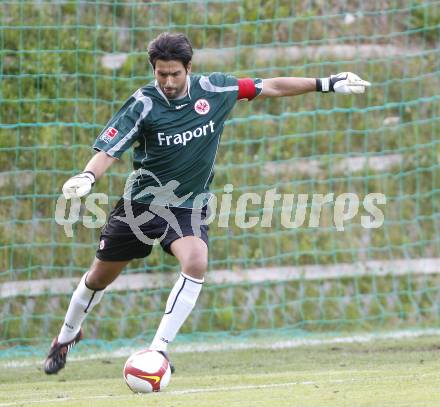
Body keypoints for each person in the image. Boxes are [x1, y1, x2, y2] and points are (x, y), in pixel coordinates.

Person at [43, 32, 370, 374]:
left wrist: (326, 83)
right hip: (141, 205)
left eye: (175, 74)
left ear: (189, 68)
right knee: (99, 277)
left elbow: (269, 86)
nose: (168, 81)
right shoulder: (144, 103)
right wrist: (88, 176)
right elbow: (110, 149)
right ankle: (66, 335)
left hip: (188, 205)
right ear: (153, 70)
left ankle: (158, 352)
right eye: (161, 74)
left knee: (196, 260)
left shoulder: (215, 90)